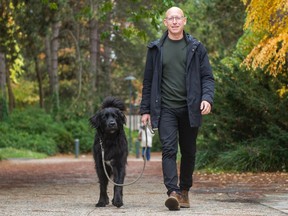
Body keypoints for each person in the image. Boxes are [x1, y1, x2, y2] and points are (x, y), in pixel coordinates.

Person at [140, 6, 215, 211]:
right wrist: (145, 110)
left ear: (184, 21)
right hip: (165, 109)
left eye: (178, 18)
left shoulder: (196, 47)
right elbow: (148, 82)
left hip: (190, 108)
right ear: (165, 22)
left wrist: (207, 98)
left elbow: (207, 77)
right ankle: (172, 192)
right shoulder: (156, 49)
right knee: (169, 149)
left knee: (189, 152)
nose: (174, 21)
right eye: (170, 18)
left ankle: (184, 191)